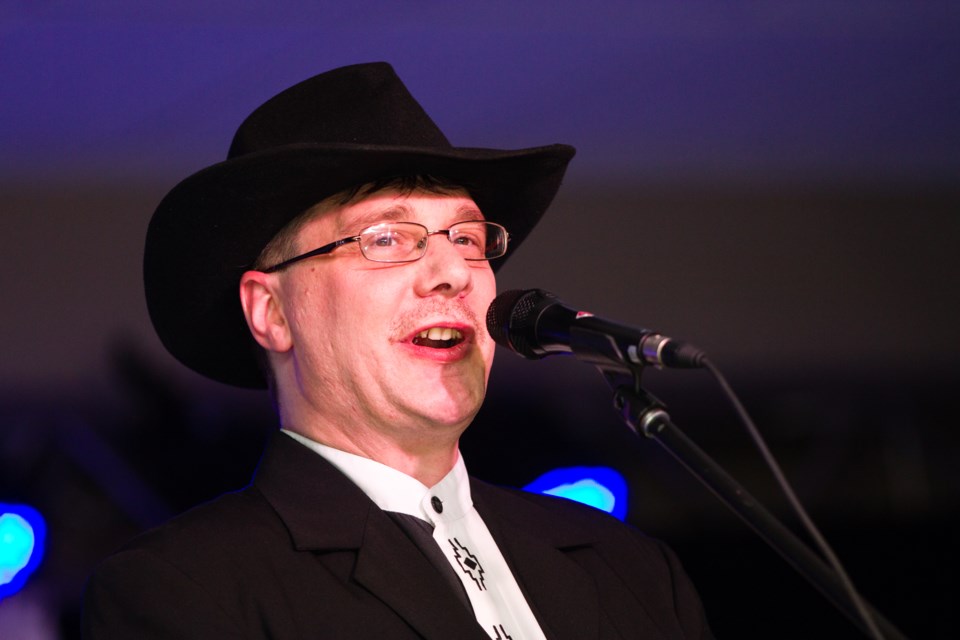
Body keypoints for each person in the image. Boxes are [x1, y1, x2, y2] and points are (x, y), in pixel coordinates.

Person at [82, 62, 712, 639]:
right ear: (272, 312)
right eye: (386, 238)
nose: (454, 272)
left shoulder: (631, 568)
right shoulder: (188, 591)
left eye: (467, 237)